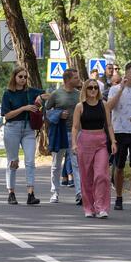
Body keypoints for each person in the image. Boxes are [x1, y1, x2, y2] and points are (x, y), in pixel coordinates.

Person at [0, 66, 48, 205]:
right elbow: (7, 115)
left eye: (25, 77)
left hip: (28, 129)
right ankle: (11, 193)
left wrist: (40, 97)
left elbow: (48, 95)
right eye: (20, 76)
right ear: (14, 77)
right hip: (12, 128)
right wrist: (24, 108)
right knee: (13, 162)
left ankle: (30, 194)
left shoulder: (31, 91)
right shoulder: (8, 94)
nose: (23, 79)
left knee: (30, 161)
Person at [71, 79, 117, 218]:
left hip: (101, 143)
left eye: (95, 88)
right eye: (90, 87)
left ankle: (101, 207)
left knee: (101, 175)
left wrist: (113, 141)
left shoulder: (103, 105)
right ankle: (89, 208)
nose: (93, 90)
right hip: (84, 142)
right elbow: (75, 127)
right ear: (85, 89)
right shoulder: (80, 106)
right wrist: (74, 143)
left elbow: (109, 125)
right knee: (86, 177)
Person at [107, 62, 131, 212]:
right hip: (119, 132)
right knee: (119, 167)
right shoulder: (114, 89)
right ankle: (118, 197)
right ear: (126, 73)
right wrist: (121, 89)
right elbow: (109, 107)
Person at [46, 68, 82, 205]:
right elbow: (47, 111)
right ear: (67, 80)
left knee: (76, 164)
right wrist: (59, 114)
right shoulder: (56, 94)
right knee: (56, 165)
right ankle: (55, 192)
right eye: (76, 78)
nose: (78, 80)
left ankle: (79, 193)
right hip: (60, 133)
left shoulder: (79, 94)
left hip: (76, 133)